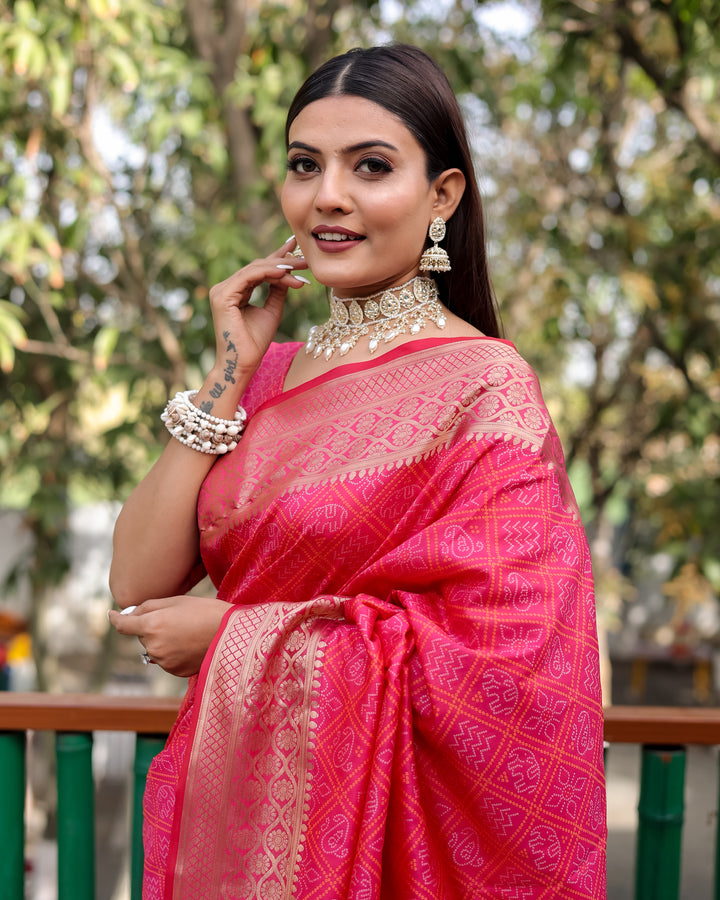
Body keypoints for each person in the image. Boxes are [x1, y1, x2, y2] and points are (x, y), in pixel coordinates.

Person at [109, 44, 607, 900]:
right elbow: (135, 581)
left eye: (370, 167)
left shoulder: (485, 386)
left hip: (380, 848)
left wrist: (235, 637)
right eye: (306, 166)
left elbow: (510, 666)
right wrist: (230, 368)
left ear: (442, 195)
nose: (327, 196)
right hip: (233, 810)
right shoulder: (263, 377)